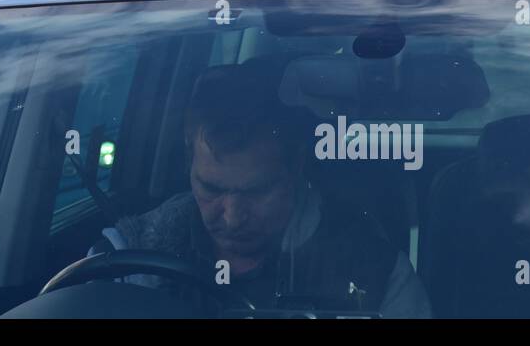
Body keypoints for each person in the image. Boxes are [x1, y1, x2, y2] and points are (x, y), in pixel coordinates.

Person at [92, 77, 431, 317]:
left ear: (296, 168)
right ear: (188, 162)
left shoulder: (373, 271)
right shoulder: (126, 261)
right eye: (211, 189)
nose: (232, 216)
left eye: (256, 191)